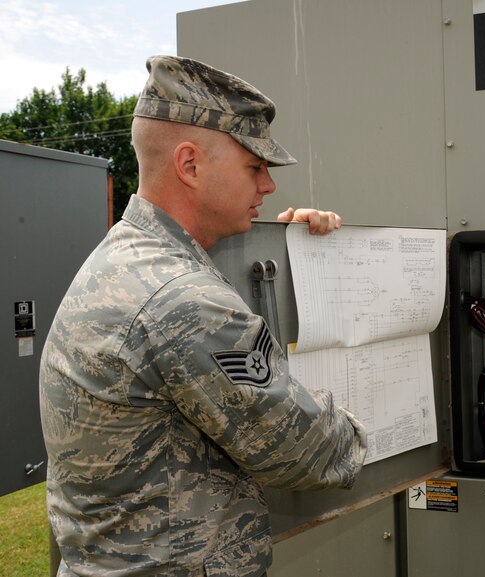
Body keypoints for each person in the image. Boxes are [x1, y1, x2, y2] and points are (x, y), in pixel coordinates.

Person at [39, 55, 368, 577]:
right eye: (254, 167)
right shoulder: (181, 300)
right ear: (190, 166)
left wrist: (285, 249)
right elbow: (309, 450)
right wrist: (360, 427)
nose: (269, 187)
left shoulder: (129, 260)